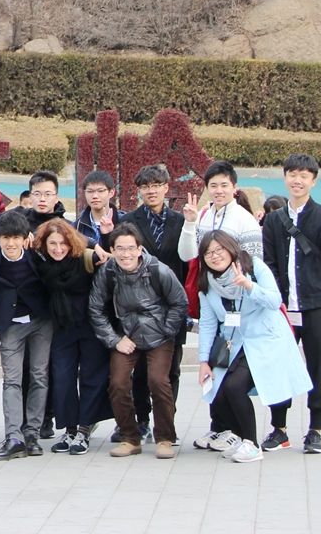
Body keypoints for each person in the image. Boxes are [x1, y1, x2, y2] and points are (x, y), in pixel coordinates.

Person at [261, 153, 321, 456]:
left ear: (313, 181)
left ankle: (316, 429)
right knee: (280, 365)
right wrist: (276, 300)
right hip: (284, 308)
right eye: (292, 174)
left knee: (319, 365)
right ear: (285, 177)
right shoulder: (274, 219)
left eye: (304, 175)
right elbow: (270, 264)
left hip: (317, 304)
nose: (297, 180)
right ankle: (279, 429)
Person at [197, 231, 313, 463]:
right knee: (216, 390)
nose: (215, 256)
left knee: (234, 386)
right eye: (208, 253)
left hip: (265, 339)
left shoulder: (253, 267)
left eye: (219, 250)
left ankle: (252, 445)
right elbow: (208, 324)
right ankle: (240, 438)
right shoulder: (207, 282)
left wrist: (249, 286)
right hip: (235, 341)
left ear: (231, 248)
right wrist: (203, 361)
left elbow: (274, 301)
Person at [179, 161, 265, 450]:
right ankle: (219, 427)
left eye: (224, 185)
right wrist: (191, 224)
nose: (218, 190)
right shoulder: (205, 216)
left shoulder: (245, 220)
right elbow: (189, 255)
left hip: (238, 308)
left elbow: (254, 267)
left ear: (234, 187)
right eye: (213, 185)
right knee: (216, 366)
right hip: (213, 301)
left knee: (231, 375)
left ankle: (237, 433)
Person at [89, 223, 187, 459]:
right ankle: (130, 437)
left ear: (140, 249)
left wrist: (166, 330)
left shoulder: (158, 270)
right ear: (112, 249)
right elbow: (95, 308)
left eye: (131, 248)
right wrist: (114, 339)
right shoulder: (108, 272)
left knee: (158, 381)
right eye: (120, 249)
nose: (126, 254)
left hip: (159, 334)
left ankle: (165, 438)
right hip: (126, 335)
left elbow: (179, 302)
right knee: (118, 383)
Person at [119, 165, 188, 444]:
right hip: (138, 306)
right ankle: (143, 420)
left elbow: (187, 262)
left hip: (171, 304)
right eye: (145, 187)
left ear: (166, 188)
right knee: (140, 370)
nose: (151, 191)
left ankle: (167, 423)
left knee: (170, 371)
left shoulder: (181, 221)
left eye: (156, 185)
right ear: (139, 191)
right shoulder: (129, 221)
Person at [33, 219, 111, 456]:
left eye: (63, 243)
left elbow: (108, 258)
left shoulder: (86, 259)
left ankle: (84, 429)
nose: (58, 249)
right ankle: (69, 429)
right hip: (61, 328)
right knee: (62, 378)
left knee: (91, 377)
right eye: (52, 244)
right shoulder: (42, 263)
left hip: (90, 326)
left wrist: (97, 242)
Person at [0, 210, 53, 461]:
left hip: (40, 321)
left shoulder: (37, 254)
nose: (11, 243)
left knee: (39, 376)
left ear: (26, 238)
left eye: (16, 238)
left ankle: (32, 433)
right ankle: (14, 437)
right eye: (6, 238)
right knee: (12, 380)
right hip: (10, 324)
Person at [74, 170, 118, 248]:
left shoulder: (124, 222)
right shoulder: (77, 226)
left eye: (100, 191)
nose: (95, 196)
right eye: (90, 191)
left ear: (111, 192)